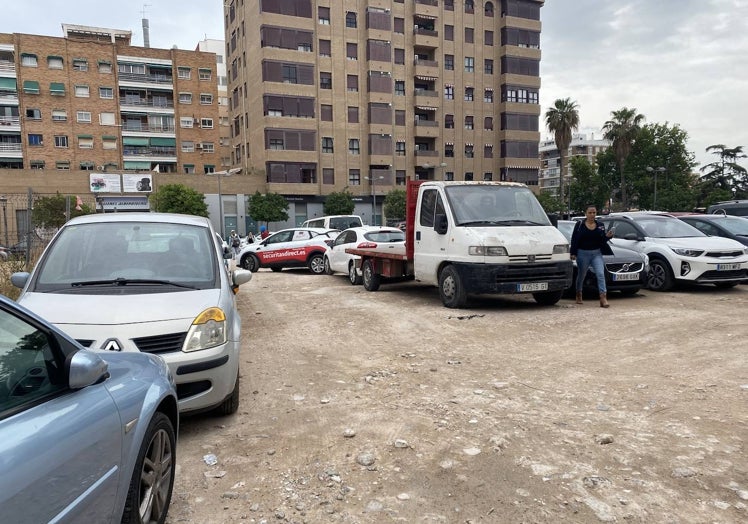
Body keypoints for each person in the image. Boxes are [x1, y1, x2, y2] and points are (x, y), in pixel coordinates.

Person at [570, 204, 614, 308]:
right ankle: (579, 293)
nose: (592, 214)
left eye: (594, 212)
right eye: (590, 212)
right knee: (582, 275)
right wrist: (573, 253)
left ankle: (603, 298)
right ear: (585, 213)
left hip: (596, 253)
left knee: (600, 274)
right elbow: (574, 239)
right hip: (582, 253)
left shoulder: (600, 225)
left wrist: (607, 236)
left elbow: (602, 240)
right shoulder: (580, 224)